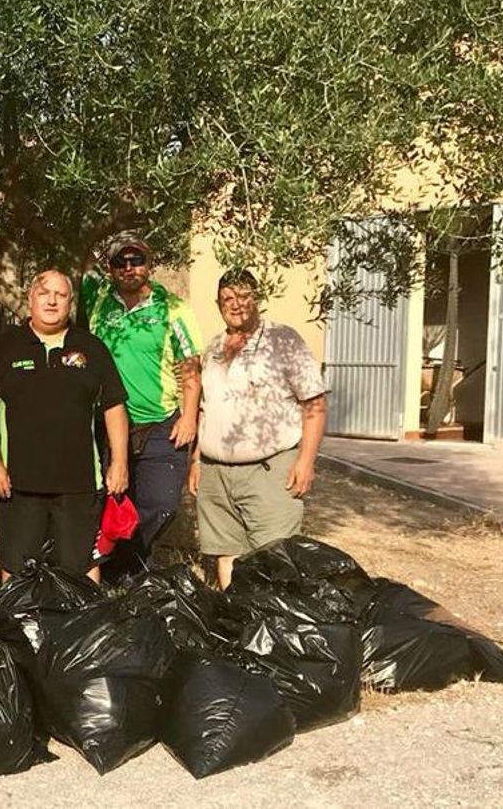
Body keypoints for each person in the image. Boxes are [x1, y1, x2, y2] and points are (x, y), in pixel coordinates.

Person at [0, 270, 130, 581]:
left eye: (60, 294)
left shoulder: (91, 347)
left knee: (82, 565)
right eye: (44, 293)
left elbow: (114, 406)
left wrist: (120, 462)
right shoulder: (6, 345)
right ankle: (15, 627)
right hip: (18, 483)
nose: (52, 300)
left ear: (70, 302)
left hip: (79, 482)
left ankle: (85, 628)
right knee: (15, 566)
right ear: (30, 300)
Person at [190, 268, 329, 589]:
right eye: (228, 298)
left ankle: (271, 624)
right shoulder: (213, 348)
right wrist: (197, 460)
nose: (236, 305)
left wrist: (306, 461)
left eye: (244, 296)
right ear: (217, 304)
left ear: (258, 298)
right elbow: (206, 409)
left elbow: (314, 403)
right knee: (226, 552)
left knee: (274, 553)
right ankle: (236, 618)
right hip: (216, 473)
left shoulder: (284, 340)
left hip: (269, 469)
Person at [81, 232, 202, 582]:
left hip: (161, 423)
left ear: (149, 265)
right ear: (110, 267)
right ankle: (118, 572)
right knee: (112, 498)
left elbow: (190, 366)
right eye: (121, 261)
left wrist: (190, 416)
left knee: (161, 505)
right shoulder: (99, 302)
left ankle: (127, 567)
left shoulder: (173, 308)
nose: (129, 267)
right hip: (108, 423)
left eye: (137, 260)